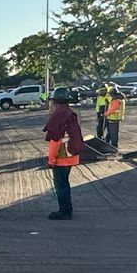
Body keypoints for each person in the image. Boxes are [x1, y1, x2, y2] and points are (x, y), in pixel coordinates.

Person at [43, 88, 86, 220]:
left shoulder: (58, 116)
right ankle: (67, 209)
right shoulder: (69, 113)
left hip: (61, 157)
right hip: (71, 154)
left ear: (55, 101)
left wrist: (51, 160)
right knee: (64, 183)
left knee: (61, 185)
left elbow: (55, 141)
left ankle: (65, 211)